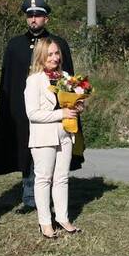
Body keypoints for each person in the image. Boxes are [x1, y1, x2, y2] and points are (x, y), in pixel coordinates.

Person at [0, 0, 81, 214]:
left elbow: (68, 79)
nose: (33, 20)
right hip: (24, 111)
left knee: (53, 153)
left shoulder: (58, 45)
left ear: (46, 19)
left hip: (54, 111)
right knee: (26, 153)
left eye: (38, 15)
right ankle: (30, 197)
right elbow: (9, 82)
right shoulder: (15, 45)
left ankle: (53, 199)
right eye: (30, 15)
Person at [24, 38, 83, 237]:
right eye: (50, 54)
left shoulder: (65, 76)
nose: (55, 57)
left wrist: (77, 106)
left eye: (57, 53)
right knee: (44, 179)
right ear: (41, 55)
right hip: (43, 137)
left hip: (65, 135)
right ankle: (45, 222)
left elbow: (70, 103)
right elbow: (32, 113)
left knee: (62, 178)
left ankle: (63, 218)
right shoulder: (34, 80)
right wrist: (61, 114)